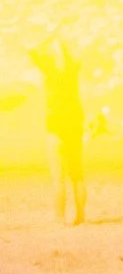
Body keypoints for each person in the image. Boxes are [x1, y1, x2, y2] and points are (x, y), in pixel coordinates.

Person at [29, 37, 86, 225]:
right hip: (74, 123)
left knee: (58, 175)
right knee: (77, 174)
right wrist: (61, 43)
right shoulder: (72, 68)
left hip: (55, 125)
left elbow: (32, 51)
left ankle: (60, 218)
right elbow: (79, 51)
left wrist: (47, 39)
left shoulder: (50, 70)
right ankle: (80, 215)